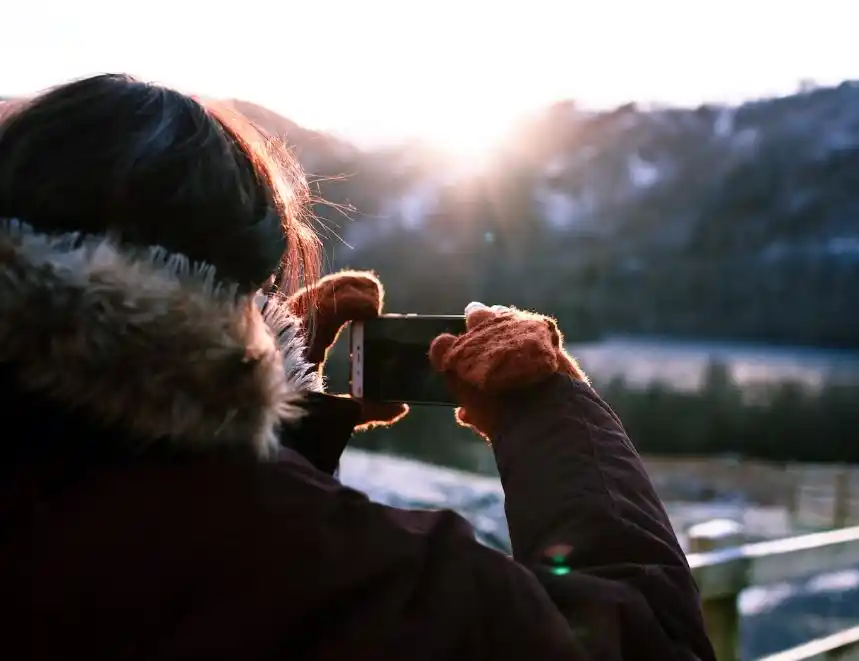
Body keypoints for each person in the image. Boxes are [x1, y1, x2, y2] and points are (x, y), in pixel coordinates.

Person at [0, 74, 715, 661]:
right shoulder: (336, 564)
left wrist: (266, 413)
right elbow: (648, 643)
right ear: (244, 286)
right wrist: (549, 407)